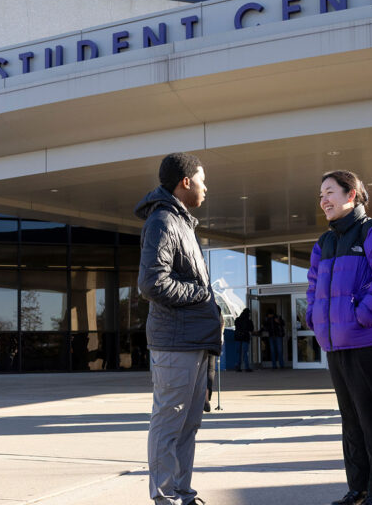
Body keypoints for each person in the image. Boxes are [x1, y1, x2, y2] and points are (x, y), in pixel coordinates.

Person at [307, 170, 372, 505]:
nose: (323, 200)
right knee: (351, 421)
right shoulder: (325, 242)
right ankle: (359, 487)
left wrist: (364, 315)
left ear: (352, 195)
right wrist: (314, 318)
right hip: (335, 344)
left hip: (367, 340)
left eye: (330, 192)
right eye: (321, 194)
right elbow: (312, 286)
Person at [136, 152, 222, 505]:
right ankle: (165, 497)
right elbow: (152, 283)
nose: (206, 187)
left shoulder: (181, 222)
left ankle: (181, 494)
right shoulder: (162, 222)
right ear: (185, 182)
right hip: (175, 343)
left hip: (194, 341)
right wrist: (202, 294)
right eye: (202, 180)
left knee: (188, 425)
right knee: (170, 423)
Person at [233, 308, 254, 372]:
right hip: (245, 338)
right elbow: (251, 329)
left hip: (238, 337)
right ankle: (246, 367)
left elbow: (236, 326)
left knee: (238, 352)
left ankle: (237, 367)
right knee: (245, 353)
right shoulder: (249, 321)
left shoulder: (237, 320)